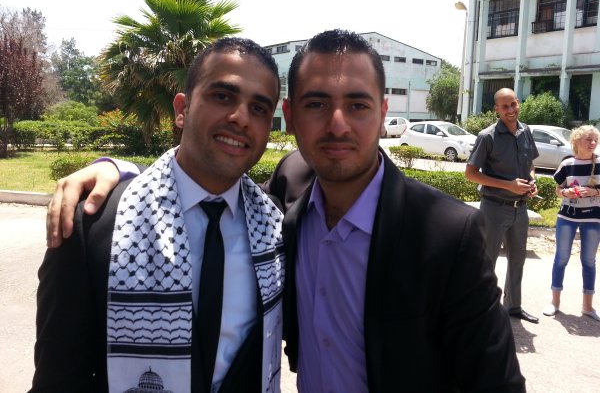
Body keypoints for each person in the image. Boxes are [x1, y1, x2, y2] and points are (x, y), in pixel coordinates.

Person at [46, 30, 525, 392]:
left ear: (383, 112)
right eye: (317, 104)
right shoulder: (98, 225)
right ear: (292, 117)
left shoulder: (445, 233)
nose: (338, 124)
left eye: (357, 105)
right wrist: (117, 169)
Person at [31, 38, 286, 393]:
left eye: (258, 108)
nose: (241, 118)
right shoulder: (95, 225)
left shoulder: (275, 228)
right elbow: (57, 380)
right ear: (182, 109)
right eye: (222, 96)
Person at [465, 88, 540, 324]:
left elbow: (530, 166)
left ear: (518, 103)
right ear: (496, 109)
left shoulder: (525, 131)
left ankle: (513, 306)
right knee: (488, 260)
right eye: (505, 106)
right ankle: (481, 309)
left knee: (517, 259)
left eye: (513, 104)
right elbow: (471, 173)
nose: (510, 110)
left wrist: (532, 182)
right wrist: (508, 185)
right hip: (494, 208)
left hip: (521, 208)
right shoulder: (487, 136)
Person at [542, 125, 600, 321]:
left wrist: (594, 191)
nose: (593, 143)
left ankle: (588, 307)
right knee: (561, 258)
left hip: (593, 218)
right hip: (567, 217)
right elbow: (559, 190)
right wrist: (566, 192)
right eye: (588, 139)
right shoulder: (567, 163)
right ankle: (554, 303)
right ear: (577, 141)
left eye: (595, 139)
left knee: (589, 261)